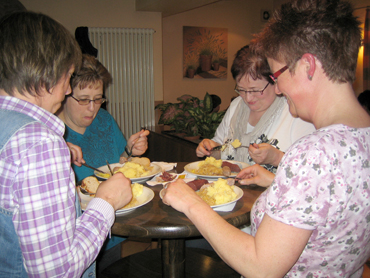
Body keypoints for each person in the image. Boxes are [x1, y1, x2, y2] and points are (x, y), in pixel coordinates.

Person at [163, 0, 370, 276]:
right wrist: (275, 180)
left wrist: (191, 203)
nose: (279, 88)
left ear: (307, 65)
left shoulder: (314, 153)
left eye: (277, 74)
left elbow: (262, 267)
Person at [0, 12, 132, 277]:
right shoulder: (38, 144)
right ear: (47, 72)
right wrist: (106, 201)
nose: (67, 90)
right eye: (68, 76)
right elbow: (58, 271)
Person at [56, 53, 149, 273]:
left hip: (111, 232)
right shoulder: (53, 136)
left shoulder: (104, 120)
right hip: (76, 240)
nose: (92, 108)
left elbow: (120, 164)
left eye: (98, 98)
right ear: (64, 93)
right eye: (84, 99)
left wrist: (131, 151)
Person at [196, 45, 315, 173]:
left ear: (275, 82)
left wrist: (277, 157)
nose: (248, 98)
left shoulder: (296, 113)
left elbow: (311, 170)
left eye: (255, 90)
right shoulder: (237, 105)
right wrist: (210, 147)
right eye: (241, 89)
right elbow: (219, 143)